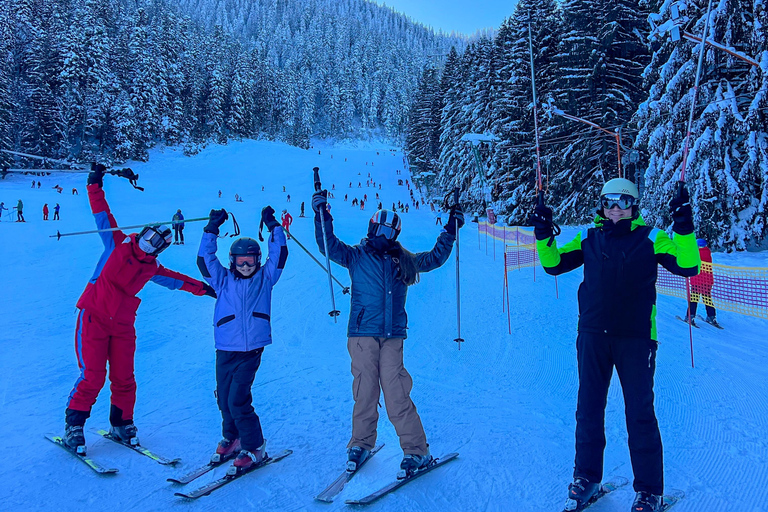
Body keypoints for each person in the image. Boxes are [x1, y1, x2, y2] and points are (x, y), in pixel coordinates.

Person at [529, 178, 700, 512]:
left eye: (623, 201)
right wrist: (542, 234)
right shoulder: (589, 237)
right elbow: (553, 265)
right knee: (589, 408)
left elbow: (687, 265)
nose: (615, 208)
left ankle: (649, 490)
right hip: (593, 334)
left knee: (639, 413)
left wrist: (683, 227)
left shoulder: (651, 237)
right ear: (602, 206)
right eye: (609, 202)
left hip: (636, 337)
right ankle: (586, 478)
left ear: (634, 205)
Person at [63, 165, 215, 454]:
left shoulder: (151, 267)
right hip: (94, 316)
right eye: (147, 238)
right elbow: (101, 212)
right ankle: (74, 425)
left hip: (121, 325)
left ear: (159, 251)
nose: (147, 246)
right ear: (142, 233)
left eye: (155, 245)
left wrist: (206, 288)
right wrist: (95, 183)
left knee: (124, 376)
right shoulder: (116, 242)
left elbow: (176, 280)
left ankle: (121, 423)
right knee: (92, 375)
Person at [311, 192, 464, 479]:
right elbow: (328, 245)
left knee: (396, 392)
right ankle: (360, 443)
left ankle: (416, 449)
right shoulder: (355, 256)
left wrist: (450, 231)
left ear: (395, 235)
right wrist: (323, 215)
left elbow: (434, 258)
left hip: (392, 336)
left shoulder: (403, 260)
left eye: (389, 232)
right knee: (364, 391)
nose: (383, 235)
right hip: (362, 333)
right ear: (371, 229)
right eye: (379, 229)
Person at [197, 207, 288, 471]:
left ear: (258, 261)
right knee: (224, 396)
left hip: (251, 350)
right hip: (225, 346)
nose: (246, 266)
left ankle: (254, 446)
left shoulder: (265, 278)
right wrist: (211, 228)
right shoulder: (222, 280)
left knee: (238, 398)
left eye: (250, 261)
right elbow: (205, 258)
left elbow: (279, 254)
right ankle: (233, 436)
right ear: (232, 262)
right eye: (240, 262)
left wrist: (274, 226)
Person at [684, 238, 719, 327]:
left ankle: (690, 316)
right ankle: (711, 316)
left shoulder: (695, 253)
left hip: (697, 281)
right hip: (708, 281)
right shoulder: (708, 252)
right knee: (707, 299)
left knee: (694, 299)